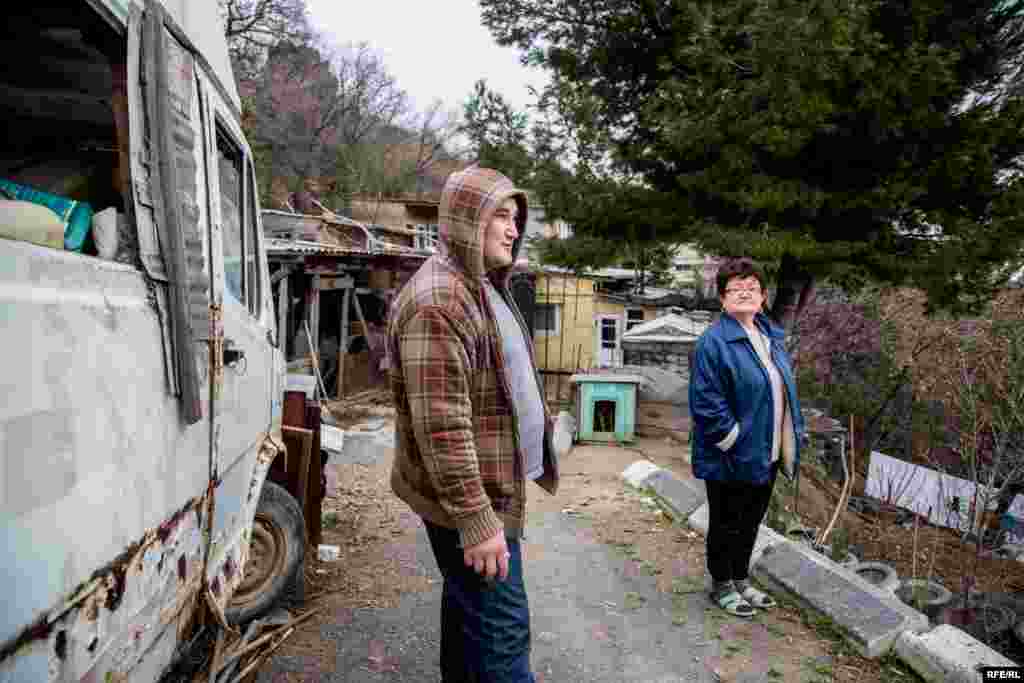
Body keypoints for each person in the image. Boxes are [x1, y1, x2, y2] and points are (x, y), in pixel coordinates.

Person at [387, 166, 559, 682]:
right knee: (501, 635)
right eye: (500, 216)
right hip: (475, 499)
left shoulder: (480, 283)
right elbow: (441, 427)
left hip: (491, 487)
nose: (513, 228)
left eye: (515, 217)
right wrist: (477, 522)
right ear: (466, 220)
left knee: (472, 620)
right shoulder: (441, 301)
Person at [688, 257, 803, 617]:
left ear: (763, 296)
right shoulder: (714, 342)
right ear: (722, 299)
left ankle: (740, 578)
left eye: (751, 288)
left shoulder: (770, 336)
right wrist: (734, 440)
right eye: (735, 289)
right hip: (732, 453)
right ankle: (721, 584)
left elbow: (778, 390)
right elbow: (707, 403)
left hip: (765, 450)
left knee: (751, 520)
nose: (744, 294)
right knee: (726, 521)